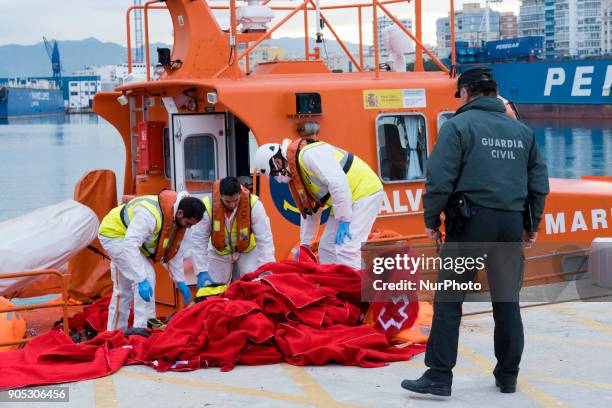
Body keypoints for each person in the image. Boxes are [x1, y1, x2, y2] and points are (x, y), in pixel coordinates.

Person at [401, 66, 549, 396]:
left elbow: (439, 179)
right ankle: (508, 376)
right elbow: (539, 184)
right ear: (494, 93)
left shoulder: (459, 126)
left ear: (466, 93)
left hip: (470, 225)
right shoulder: (522, 132)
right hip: (510, 223)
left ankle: (439, 376)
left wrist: (431, 219)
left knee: (450, 300)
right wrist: (531, 225)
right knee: (507, 301)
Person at [254, 138, 384, 269]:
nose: (278, 179)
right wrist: (304, 244)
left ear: (277, 162)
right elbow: (310, 209)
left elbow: (337, 184)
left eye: (274, 174)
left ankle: (354, 287)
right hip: (345, 201)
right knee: (326, 248)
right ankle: (333, 284)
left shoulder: (309, 154)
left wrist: (344, 219)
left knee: (347, 249)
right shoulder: (298, 172)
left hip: (365, 192)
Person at [98, 190, 204, 331]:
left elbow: (173, 250)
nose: (189, 227)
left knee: (124, 289)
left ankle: (116, 331)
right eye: (188, 223)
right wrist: (141, 280)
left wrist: (180, 281)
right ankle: (141, 330)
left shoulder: (177, 219)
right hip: (114, 234)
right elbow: (130, 244)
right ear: (180, 214)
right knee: (145, 276)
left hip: (131, 239)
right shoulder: (149, 215)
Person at [191, 177, 275, 295]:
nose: (232, 204)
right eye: (228, 201)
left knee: (254, 286)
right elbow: (198, 240)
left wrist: (266, 268)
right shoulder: (207, 206)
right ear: (220, 196)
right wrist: (201, 270)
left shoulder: (254, 205)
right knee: (212, 291)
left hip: (247, 251)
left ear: (240, 194)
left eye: (236, 200)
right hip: (219, 252)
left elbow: (265, 240)